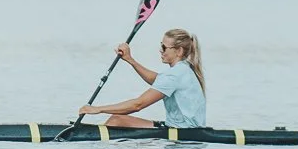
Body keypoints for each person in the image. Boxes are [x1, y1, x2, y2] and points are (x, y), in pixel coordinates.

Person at [78, 27, 207, 130]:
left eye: (164, 48)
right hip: (182, 128)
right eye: (160, 45)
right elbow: (157, 80)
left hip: (183, 132)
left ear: (178, 51)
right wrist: (130, 60)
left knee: (116, 120)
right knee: (117, 120)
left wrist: (98, 109)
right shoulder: (183, 69)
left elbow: (137, 105)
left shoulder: (175, 75)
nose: (160, 51)